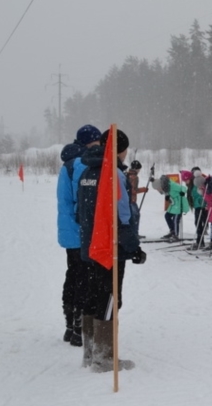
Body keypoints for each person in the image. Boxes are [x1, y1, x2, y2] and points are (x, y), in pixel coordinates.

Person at [77, 128, 145, 372]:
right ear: (121, 150)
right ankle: (104, 358)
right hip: (108, 248)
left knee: (92, 295)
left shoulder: (87, 170)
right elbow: (123, 216)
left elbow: (80, 211)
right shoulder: (113, 173)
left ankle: (91, 353)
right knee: (109, 298)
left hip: (90, 245)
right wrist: (133, 247)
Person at [56, 124, 101, 346]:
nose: (98, 145)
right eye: (95, 142)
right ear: (87, 143)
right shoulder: (84, 164)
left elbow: (63, 199)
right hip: (81, 229)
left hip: (69, 230)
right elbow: (83, 199)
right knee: (84, 277)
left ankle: (69, 325)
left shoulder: (67, 166)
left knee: (73, 275)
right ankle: (78, 327)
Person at [160, 173, 190, 243]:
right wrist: (167, 196)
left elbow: (184, 188)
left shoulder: (172, 185)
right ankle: (172, 231)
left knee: (175, 220)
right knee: (167, 216)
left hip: (179, 204)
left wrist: (182, 192)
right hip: (173, 204)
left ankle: (176, 235)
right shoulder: (166, 186)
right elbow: (167, 193)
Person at [186, 168, 208, 250]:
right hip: (197, 206)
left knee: (199, 223)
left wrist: (201, 202)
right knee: (198, 223)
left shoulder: (200, 182)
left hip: (202, 206)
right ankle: (200, 241)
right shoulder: (193, 183)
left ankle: (200, 242)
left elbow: (202, 194)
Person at [126, 160, 148, 237]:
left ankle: (132, 233)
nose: (139, 171)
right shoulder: (134, 177)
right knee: (136, 216)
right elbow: (132, 190)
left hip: (126, 199)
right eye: (139, 169)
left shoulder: (126, 174)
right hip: (131, 200)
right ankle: (135, 234)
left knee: (131, 216)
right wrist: (143, 189)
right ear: (136, 169)